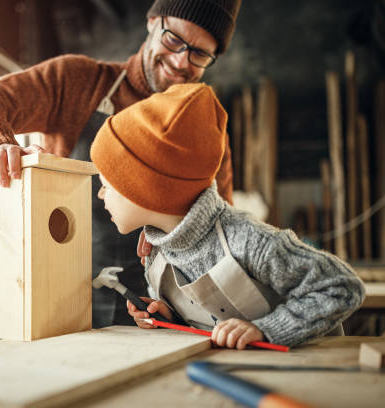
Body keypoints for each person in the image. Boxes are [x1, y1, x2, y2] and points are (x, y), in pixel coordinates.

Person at [0, 0, 242, 328]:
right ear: (152, 22)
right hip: (58, 295)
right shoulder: (77, 81)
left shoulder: (205, 129)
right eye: (173, 39)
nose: (181, 61)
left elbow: (219, 234)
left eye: (199, 54)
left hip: (156, 313)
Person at [90, 83, 365, 348]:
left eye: (106, 185)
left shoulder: (247, 241)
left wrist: (266, 329)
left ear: (145, 190)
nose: (100, 195)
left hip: (302, 375)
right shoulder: (156, 250)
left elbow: (342, 287)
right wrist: (168, 316)